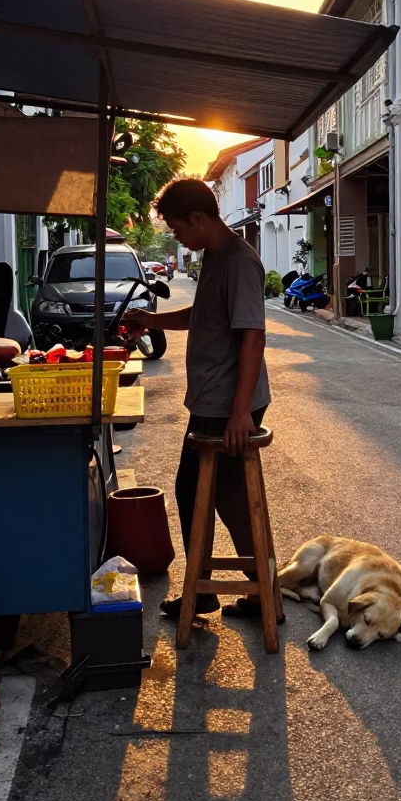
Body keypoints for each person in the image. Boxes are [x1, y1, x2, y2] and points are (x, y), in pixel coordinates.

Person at [124, 178, 272, 620]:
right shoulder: (212, 257)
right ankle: (260, 588)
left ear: (199, 218)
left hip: (228, 403)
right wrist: (152, 318)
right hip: (214, 399)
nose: (175, 236)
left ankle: (225, 589)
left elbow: (253, 337)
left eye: (175, 228)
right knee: (218, 495)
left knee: (197, 491)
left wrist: (240, 411)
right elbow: (200, 315)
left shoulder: (240, 262)